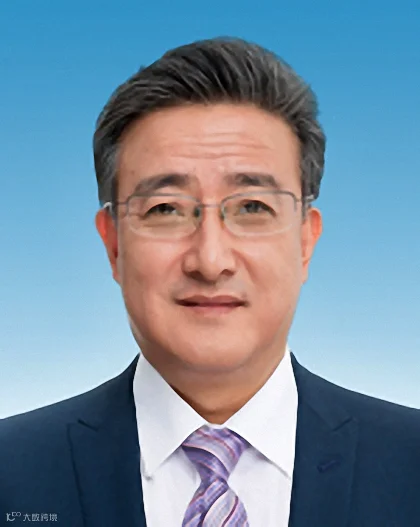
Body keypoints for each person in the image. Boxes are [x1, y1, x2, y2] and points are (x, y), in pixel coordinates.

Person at [1, 37, 419, 527]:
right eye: (165, 210)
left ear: (306, 240)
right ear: (113, 244)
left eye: (252, 207)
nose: (211, 260)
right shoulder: (13, 472)